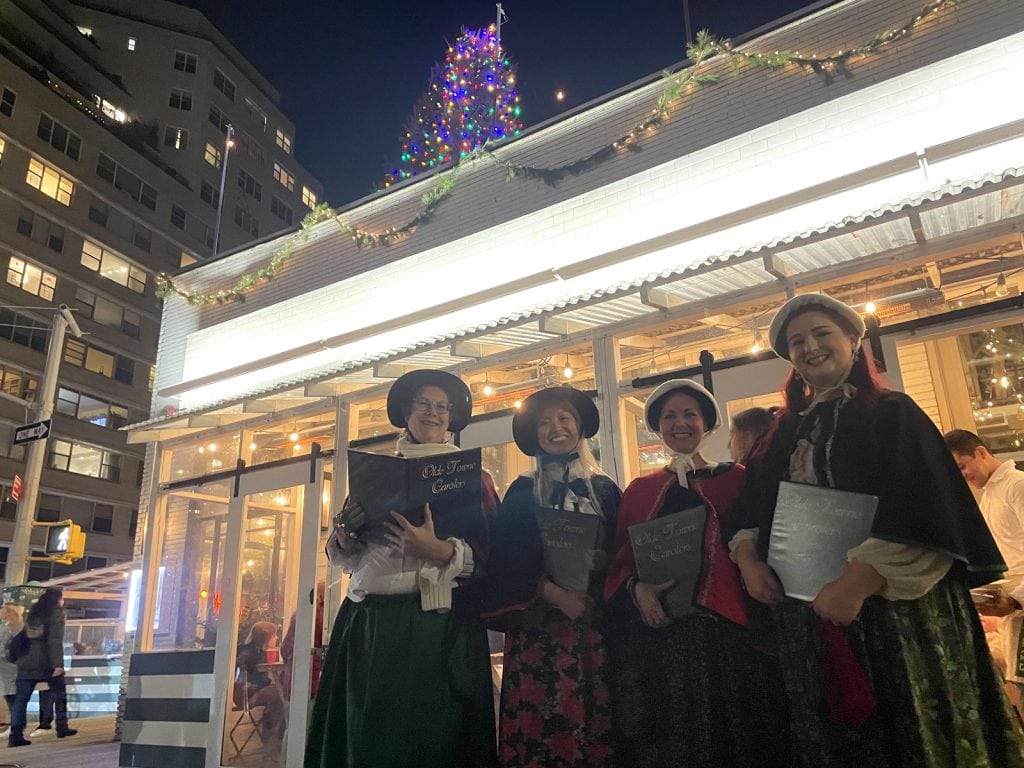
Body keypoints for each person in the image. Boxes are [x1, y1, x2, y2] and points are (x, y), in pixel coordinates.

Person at [726, 292, 1024, 766]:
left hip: (895, 617)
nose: (810, 347)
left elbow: (922, 507)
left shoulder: (893, 413)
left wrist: (854, 585)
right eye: (797, 341)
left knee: (909, 732)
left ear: (851, 339)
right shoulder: (782, 432)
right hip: (809, 616)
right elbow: (751, 507)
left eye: (822, 333)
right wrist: (749, 563)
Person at [305, 369, 497, 768]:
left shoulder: (475, 479)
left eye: (443, 406)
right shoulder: (376, 474)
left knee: (431, 740)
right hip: (368, 624)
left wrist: (440, 550)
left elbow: (494, 558)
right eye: (423, 404)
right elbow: (347, 556)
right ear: (405, 412)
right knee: (370, 739)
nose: (433, 413)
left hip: (436, 626)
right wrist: (344, 536)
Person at [604, 379, 790, 767]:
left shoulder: (737, 478)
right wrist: (637, 590)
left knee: (737, 729)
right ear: (657, 427)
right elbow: (621, 561)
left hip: (730, 631)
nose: (680, 423)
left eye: (690, 414)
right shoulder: (639, 490)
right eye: (670, 416)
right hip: (665, 637)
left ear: (707, 424)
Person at [482, 385, 620, 767]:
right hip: (538, 638)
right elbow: (506, 563)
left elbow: (625, 557)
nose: (556, 427)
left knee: (595, 724)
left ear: (579, 426)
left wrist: (602, 560)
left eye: (564, 418)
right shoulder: (521, 493)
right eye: (545, 422)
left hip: (593, 633)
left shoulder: (605, 490)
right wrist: (557, 595)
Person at [944, 429, 1024, 700]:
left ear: (980, 452)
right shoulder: (990, 495)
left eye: (962, 466)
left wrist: (1016, 599)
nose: (963, 476)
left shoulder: (1017, 486)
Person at [9, 588, 76, 747]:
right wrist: (58, 665)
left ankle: (16, 735)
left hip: (25, 661)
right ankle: (62, 727)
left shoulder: (33, 613)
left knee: (21, 699)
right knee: (59, 693)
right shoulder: (55, 613)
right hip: (45, 662)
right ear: (58, 599)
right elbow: (54, 640)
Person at [235, 620, 285, 740]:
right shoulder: (250, 652)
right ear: (265, 637)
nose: (277, 637)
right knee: (278, 694)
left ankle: (273, 734)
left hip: (252, 689)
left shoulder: (258, 651)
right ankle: (271, 736)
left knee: (280, 692)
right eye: (274, 635)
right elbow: (240, 673)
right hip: (246, 694)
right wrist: (249, 684)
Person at [0, 603, 23, 737]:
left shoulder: (9, 628)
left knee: (11, 696)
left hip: (8, 667)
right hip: (10, 666)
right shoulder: (17, 625)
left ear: (8, 612)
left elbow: (4, 647)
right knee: (11, 696)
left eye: (3, 609)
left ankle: (15, 727)